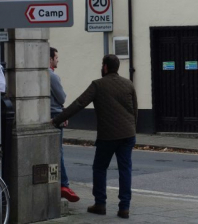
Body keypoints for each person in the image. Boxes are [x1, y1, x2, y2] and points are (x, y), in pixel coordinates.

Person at [51, 54, 137, 219]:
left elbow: (79, 103)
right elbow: (135, 110)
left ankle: (100, 204)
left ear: (105, 67)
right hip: (128, 134)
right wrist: (133, 130)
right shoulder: (128, 84)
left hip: (108, 136)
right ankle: (124, 208)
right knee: (125, 169)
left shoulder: (98, 85)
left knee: (99, 168)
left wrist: (56, 120)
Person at [49, 47, 80, 202]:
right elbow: (61, 97)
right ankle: (64, 184)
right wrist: (62, 114)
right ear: (49, 59)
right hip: (55, 114)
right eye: (56, 57)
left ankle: (61, 183)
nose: (57, 59)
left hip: (54, 113)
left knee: (55, 150)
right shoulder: (52, 76)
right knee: (58, 151)